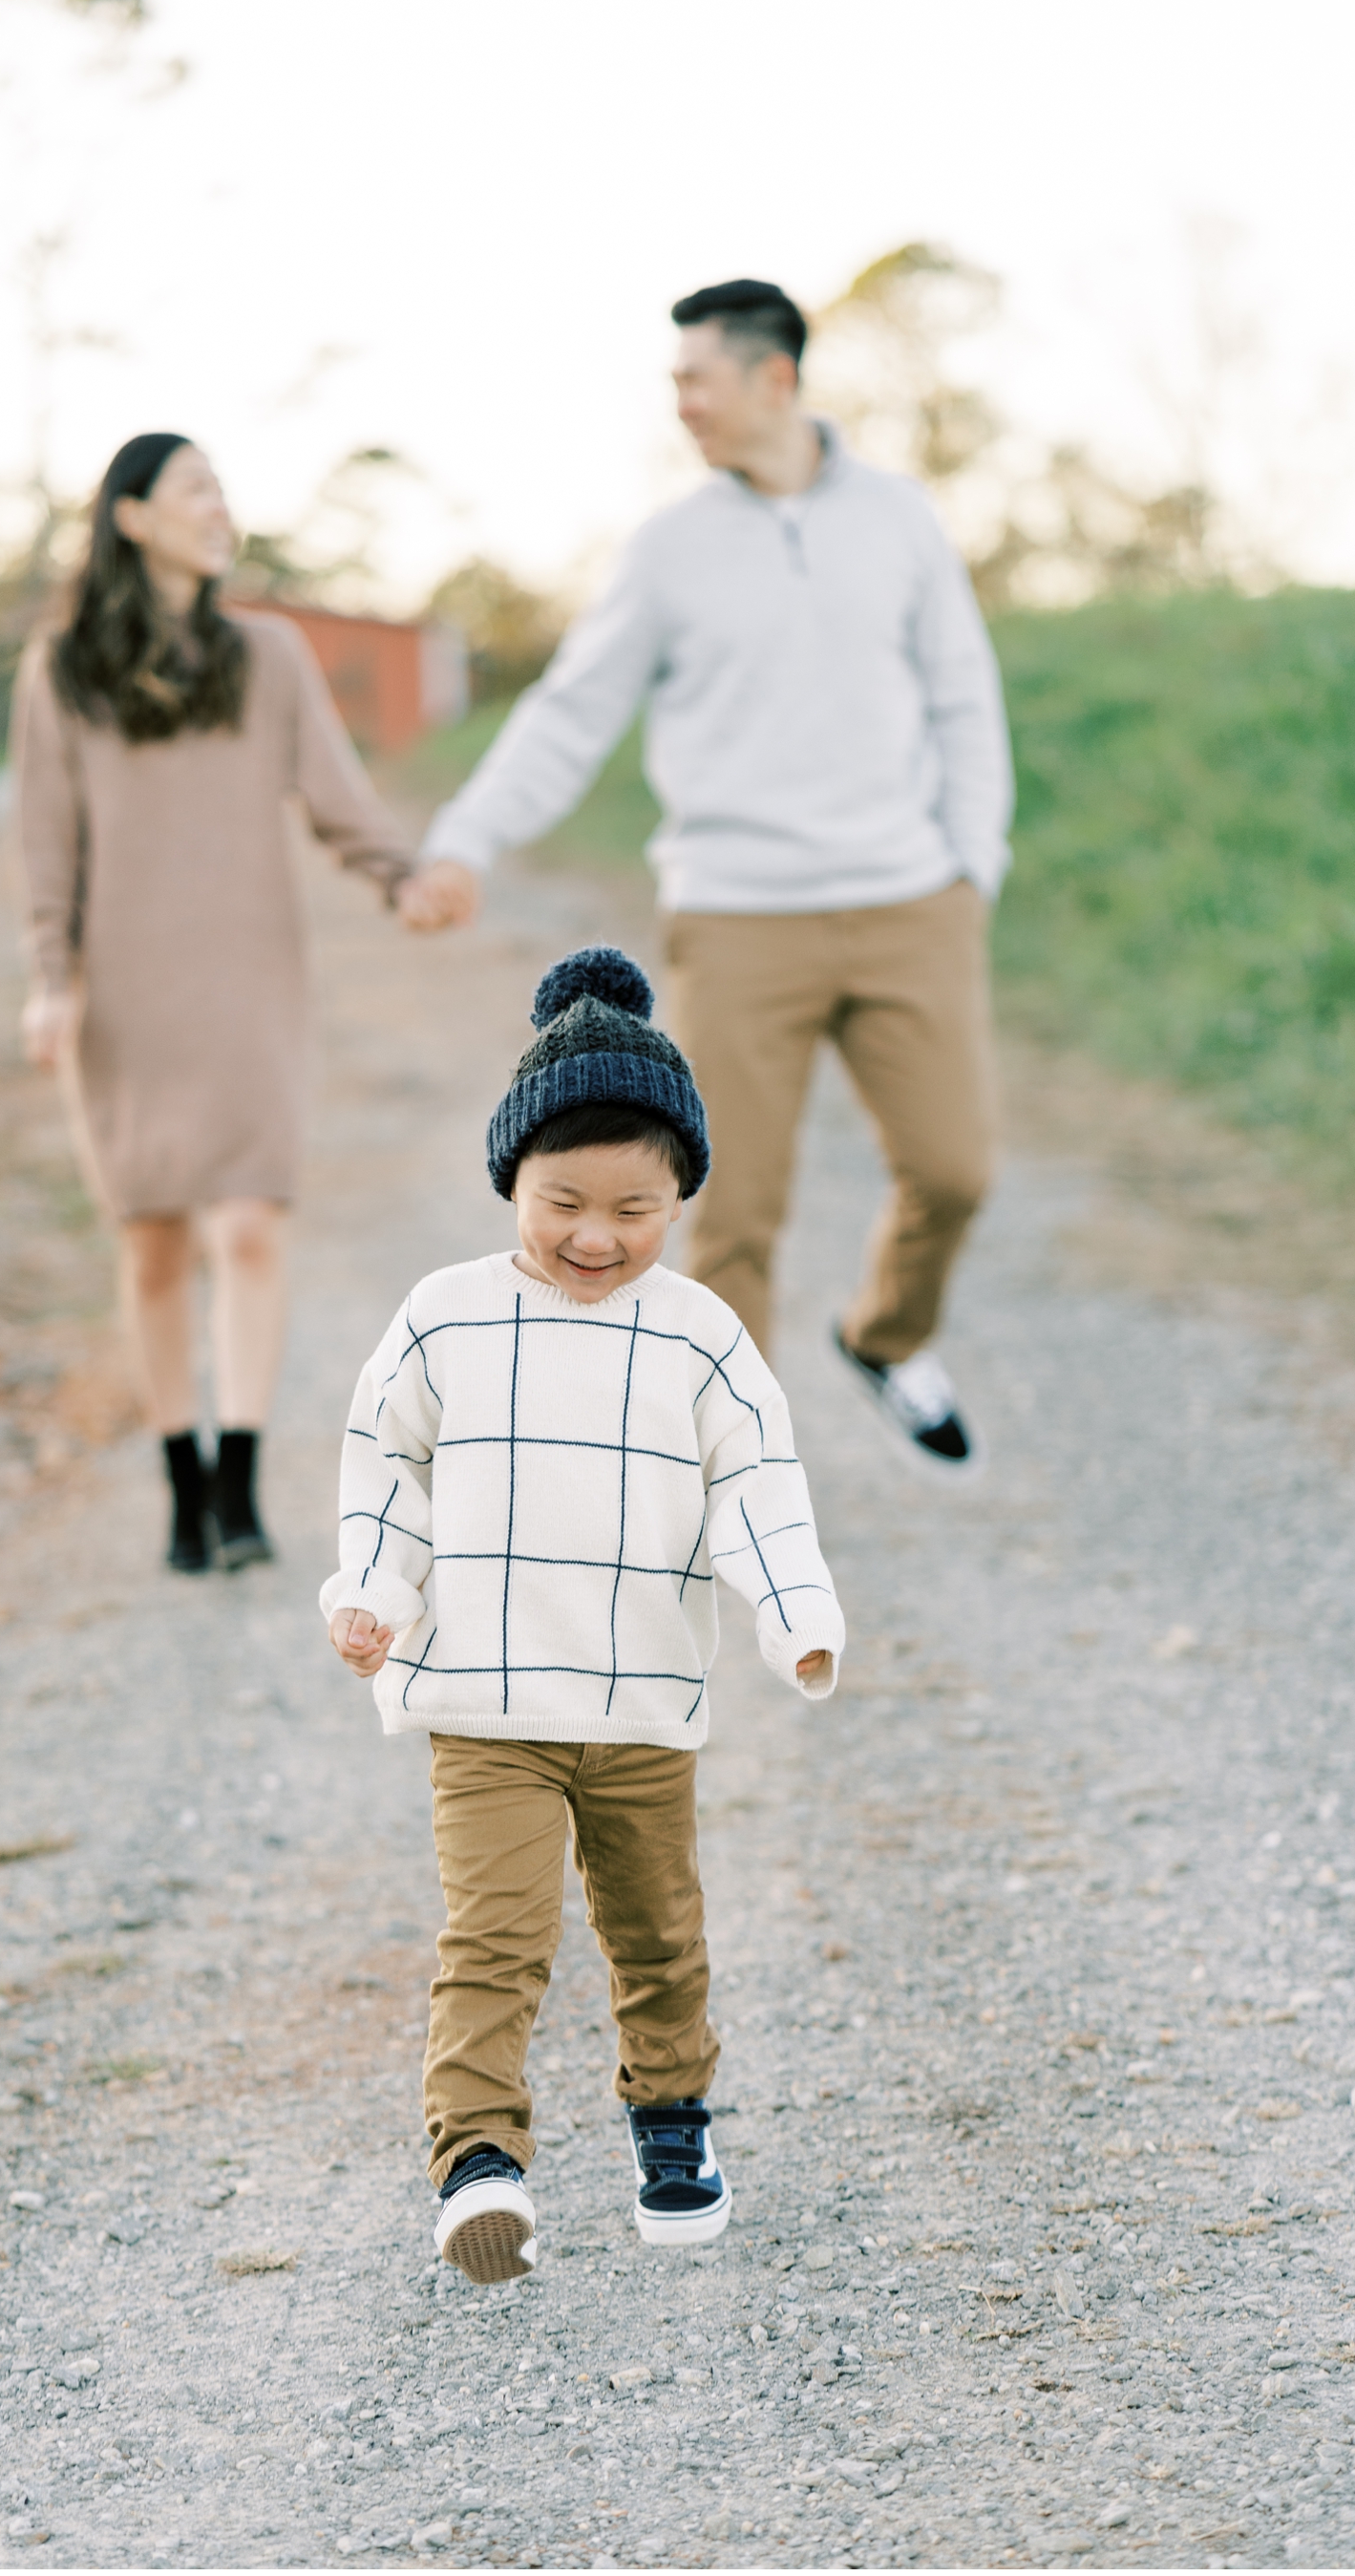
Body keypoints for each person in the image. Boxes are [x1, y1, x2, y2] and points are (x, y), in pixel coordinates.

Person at [399, 279, 1014, 1479]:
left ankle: (884, 1336)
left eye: (697, 378)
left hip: (908, 903)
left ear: (772, 378)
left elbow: (962, 701)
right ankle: (733, 1476)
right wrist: (464, 838)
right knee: (730, 1216)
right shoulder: (669, 550)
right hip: (738, 918)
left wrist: (967, 868)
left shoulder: (898, 521)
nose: (679, 402)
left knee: (954, 1167)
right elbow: (570, 714)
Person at [322, 945, 845, 2282]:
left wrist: (796, 1619)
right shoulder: (446, 1322)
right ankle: (477, 2163)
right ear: (512, 1182)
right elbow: (388, 1472)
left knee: (657, 1931)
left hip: (639, 1707)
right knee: (492, 1937)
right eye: (564, 1201)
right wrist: (373, 1596)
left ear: (680, 1197)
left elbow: (759, 1487)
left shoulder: (701, 1337)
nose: (598, 1236)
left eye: (636, 1207)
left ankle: (672, 2125)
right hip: (485, 1705)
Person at [13, 431, 416, 1574]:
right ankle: (179, 1480)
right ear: (131, 516)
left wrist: (407, 876)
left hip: (249, 977)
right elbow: (45, 843)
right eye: (195, 488)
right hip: (125, 991)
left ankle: (238, 1486)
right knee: (151, 1243)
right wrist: (51, 982)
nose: (218, 506)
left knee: (247, 1220)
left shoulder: (270, 655)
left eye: (222, 489)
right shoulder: (58, 672)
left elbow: (340, 802)